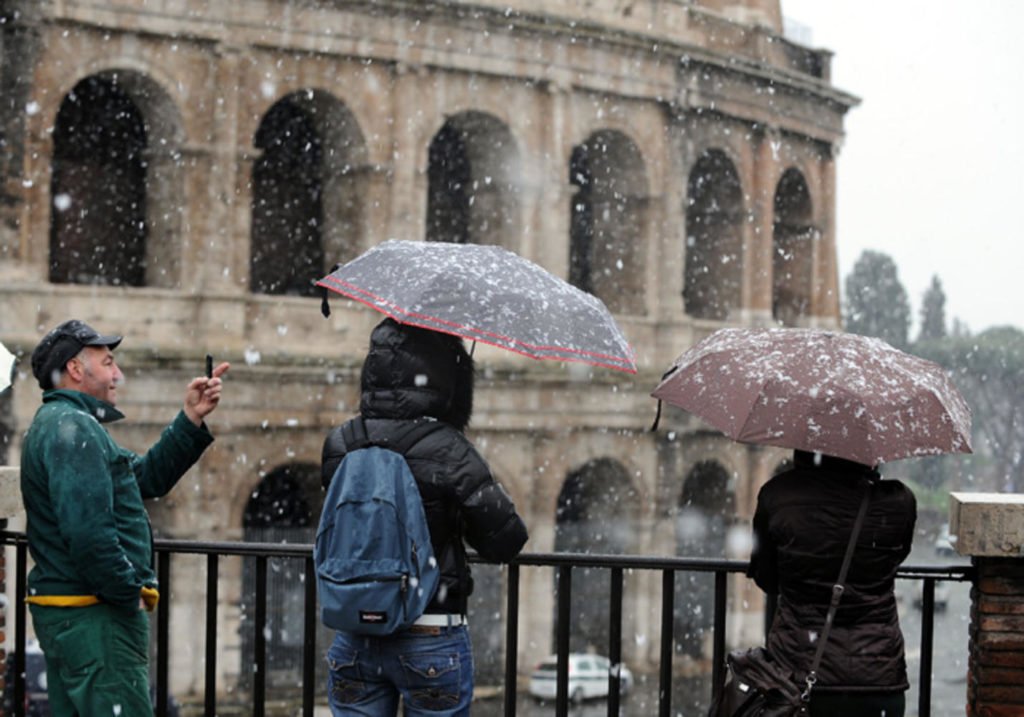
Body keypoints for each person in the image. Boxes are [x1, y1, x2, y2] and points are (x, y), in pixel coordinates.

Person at [20, 319, 229, 715]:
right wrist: (127, 592)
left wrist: (191, 417)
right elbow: (88, 536)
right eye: (109, 362)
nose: (118, 374)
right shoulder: (73, 428)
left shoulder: (63, 425)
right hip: (94, 618)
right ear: (77, 370)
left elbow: (147, 477)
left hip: (71, 614)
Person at [321, 318, 528, 716]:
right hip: (430, 628)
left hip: (354, 631)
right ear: (444, 375)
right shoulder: (449, 448)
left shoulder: (341, 443)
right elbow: (505, 539)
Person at [747, 449, 917, 717]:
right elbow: (896, 558)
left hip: (798, 679)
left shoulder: (777, 496)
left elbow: (766, 578)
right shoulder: (899, 501)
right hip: (877, 677)